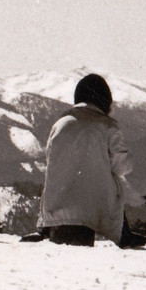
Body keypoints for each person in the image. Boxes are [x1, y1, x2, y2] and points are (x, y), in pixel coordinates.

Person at [34, 74, 135, 246]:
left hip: (55, 211)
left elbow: (50, 159)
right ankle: (124, 234)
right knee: (113, 182)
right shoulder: (107, 126)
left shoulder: (60, 124)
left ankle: (43, 230)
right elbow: (123, 168)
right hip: (93, 214)